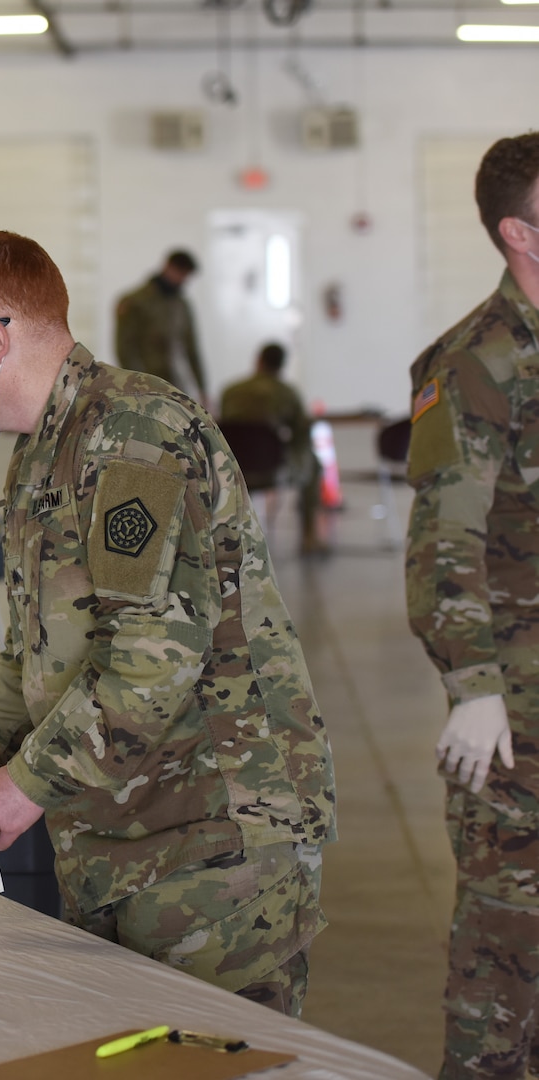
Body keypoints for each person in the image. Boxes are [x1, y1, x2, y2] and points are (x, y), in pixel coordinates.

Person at [0, 230, 336, 1015]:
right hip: (117, 830)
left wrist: (23, 784)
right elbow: (31, 661)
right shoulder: (44, 450)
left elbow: (153, 662)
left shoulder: (135, 438)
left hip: (210, 835)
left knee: (212, 1066)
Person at [404, 131, 539, 1080]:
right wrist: (474, 686)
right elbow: (442, 540)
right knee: (506, 963)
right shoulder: (476, 365)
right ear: (519, 233)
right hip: (521, 718)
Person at [218, 342, 325, 555]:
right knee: (314, 464)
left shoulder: (231, 391)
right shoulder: (286, 393)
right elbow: (301, 435)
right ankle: (309, 537)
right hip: (272, 470)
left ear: (258, 360)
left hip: (233, 471)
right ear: (282, 365)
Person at [115, 249, 207, 405]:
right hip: (146, 385)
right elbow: (126, 349)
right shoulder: (134, 302)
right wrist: (138, 386)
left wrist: (202, 390)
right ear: (168, 267)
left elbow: (192, 350)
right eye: (180, 273)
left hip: (175, 385)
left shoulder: (181, 305)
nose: (182, 280)